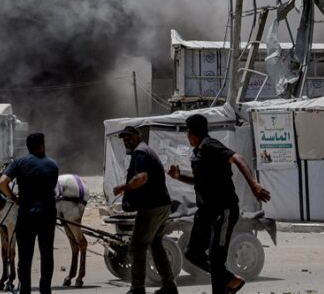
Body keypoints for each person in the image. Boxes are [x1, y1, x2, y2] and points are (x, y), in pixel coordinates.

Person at [168, 114, 271, 294]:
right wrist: (179, 177)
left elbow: (237, 158)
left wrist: (254, 184)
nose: (187, 136)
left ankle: (226, 284)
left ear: (191, 132)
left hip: (223, 211)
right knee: (192, 253)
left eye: (187, 132)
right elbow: (199, 180)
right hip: (205, 211)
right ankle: (230, 280)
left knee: (216, 258)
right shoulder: (198, 152)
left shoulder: (210, 145)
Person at [113, 126, 177, 294]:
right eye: (124, 138)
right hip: (162, 205)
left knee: (137, 247)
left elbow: (142, 178)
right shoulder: (146, 151)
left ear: (138, 136)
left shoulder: (140, 153)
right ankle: (169, 286)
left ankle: (138, 288)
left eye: (129, 137)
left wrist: (122, 188)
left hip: (151, 207)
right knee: (156, 244)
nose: (126, 140)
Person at [0, 133, 59, 294]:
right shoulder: (53, 165)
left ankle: (25, 290)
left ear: (28, 146)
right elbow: (53, 188)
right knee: (47, 255)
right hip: (47, 216)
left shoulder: (19, 163)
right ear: (42, 145)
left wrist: (13, 197)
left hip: (26, 216)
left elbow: (2, 182)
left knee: (25, 258)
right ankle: (45, 290)